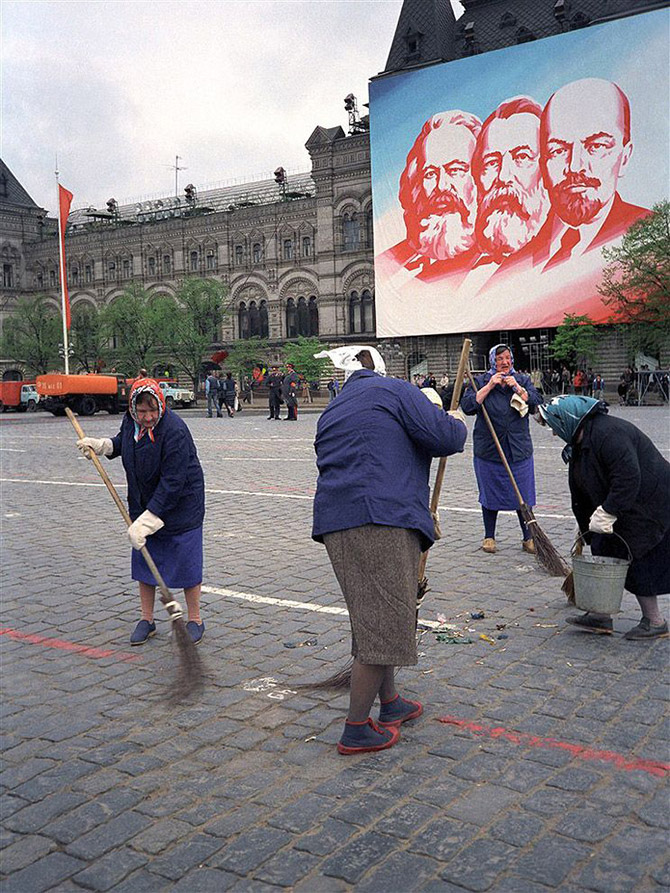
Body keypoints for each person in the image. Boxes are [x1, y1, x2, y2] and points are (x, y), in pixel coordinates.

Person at [312, 347, 467, 754]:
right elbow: (445, 438)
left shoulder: (332, 409)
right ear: (380, 371)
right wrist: (455, 421)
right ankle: (357, 727)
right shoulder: (394, 391)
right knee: (384, 621)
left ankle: (391, 702)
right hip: (379, 519)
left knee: (375, 616)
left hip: (337, 524)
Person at [76, 378, 206, 645]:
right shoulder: (131, 421)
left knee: (187, 565)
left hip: (182, 507)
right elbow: (125, 442)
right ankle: (147, 619)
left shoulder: (175, 431)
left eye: (152, 411)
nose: (147, 417)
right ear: (134, 409)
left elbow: (173, 482)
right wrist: (103, 446)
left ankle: (195, 620)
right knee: (146, 562)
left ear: (160, 405)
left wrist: (150, 519)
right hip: (144, 501)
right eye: (142, 412)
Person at [537, 395, 669, 639]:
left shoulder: (609, 435)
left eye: (554, 426)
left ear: (568, 419)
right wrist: (587, 520)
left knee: (639, 556)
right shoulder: (580, 439)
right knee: (603, 548)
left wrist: (608, 511)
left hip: (648, 504)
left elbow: (628, 477)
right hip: (622, 503)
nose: (554, 434)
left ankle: (655, 621)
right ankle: (600, 614)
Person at [376, 110, 482, 281]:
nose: (441, 185)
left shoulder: (506, 265)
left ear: (481, 176)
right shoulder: (386, 264)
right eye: (430, 174)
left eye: (455, 170)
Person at [463, 96, 549, 293]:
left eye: (522, 157)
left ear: (546, 167)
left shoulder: (567, 256)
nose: (504, 176)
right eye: (492, 162)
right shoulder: (459, 270)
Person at [461, 344, 542, 554]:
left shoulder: (522, 379)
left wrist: (519, 389)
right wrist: (488, 386)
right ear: (492, 362)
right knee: (490, 494)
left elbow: (536, 402)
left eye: (507, 358)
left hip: (518, 448)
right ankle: (489, 536)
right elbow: (468, 406)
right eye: (499, 359)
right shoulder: (480, 381)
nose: (504, 362)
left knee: (522, 495)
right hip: (489, 449)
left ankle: (528, 538)